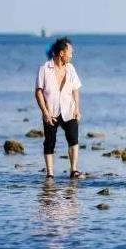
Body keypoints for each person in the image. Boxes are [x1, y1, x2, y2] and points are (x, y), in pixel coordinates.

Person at [35, 38, 83, 179]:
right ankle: (50, 173)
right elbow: (38, 92)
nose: (72, 55)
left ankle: (73, 170)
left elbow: (76, 89)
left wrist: (77, 109)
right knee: (49, 142)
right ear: (61, 53)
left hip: (69, 109)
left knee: (73, 139)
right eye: (70, 53)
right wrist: (45, 113)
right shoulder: (44, 69)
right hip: (51, 111)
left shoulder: (71, 68)